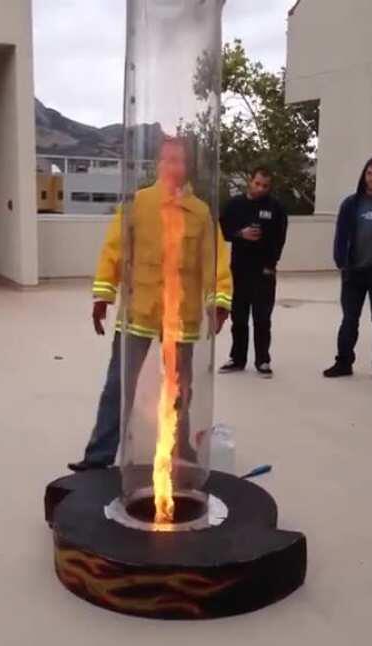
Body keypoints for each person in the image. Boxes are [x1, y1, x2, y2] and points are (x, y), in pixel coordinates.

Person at [69, 138, 232, 472]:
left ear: (189, 168)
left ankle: (180, 453)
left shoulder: (200, 214)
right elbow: (113, 251)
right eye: (168, 160)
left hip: (181, 318)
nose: (174, 167)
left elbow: (214, 263)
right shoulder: (138, 205)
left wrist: (220, 301)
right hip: (138, 314)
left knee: (180, 392)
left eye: (181, 161)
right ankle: (98, 458)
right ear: (158, 164)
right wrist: (103, 295)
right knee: (118, 387)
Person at [324, 155, 372, 383]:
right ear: (364, 175)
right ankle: (343, 362)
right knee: (349, 320)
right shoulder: (351, 203)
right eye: (369, 174)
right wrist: (341, 263)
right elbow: (340, 237)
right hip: (354, 272)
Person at [219, 167, 288, 377]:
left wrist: (271, 264)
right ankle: (237, 359)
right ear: (250, 181)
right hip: (239, 270)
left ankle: (263, 361)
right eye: (257, 183)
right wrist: (241, 234)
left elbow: (280, 238)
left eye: (265, 186)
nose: (260, 189)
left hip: (264, 272)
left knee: (262, 318)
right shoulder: (234, 205)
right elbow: (222, 230)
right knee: (239, 318)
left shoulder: (275, 208)